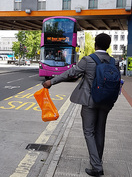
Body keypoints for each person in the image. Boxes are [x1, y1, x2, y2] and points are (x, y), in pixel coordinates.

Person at [43, 33, 117, 177]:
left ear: (96, 44)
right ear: (108, 46)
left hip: (90, 101)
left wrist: (51, 81)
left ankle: (97, 167)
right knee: (100, 131)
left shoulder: (88, 60)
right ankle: (97, 161)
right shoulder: (112, 61)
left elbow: (71, 73)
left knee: (89, 132)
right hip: (106, 101)